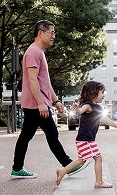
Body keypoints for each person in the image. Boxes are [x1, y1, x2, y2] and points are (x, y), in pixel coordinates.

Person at [11, 20, 78, 179]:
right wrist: (41, 103)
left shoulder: (39, 52)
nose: (54, 36)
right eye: (51, 33)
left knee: (26, 136)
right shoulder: (34, 52)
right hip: (36, 104)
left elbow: (45, 82)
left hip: (36, 103)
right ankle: (68, 165)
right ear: (40, 33)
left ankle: (17, 168)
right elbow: (33, 80)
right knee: (52, 133)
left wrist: (55, 101)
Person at [55, 81, 117, 188]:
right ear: (93, 93)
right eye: (102, 92)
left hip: (87, 139)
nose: (104, 95)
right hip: (85, 139)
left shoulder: (98, 107)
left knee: (82, 160)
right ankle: (99, 182)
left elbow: (104, 119)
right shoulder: (88, 106)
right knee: (96, 158)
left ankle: (63, 171)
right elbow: (79, 111)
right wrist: (76, 109)